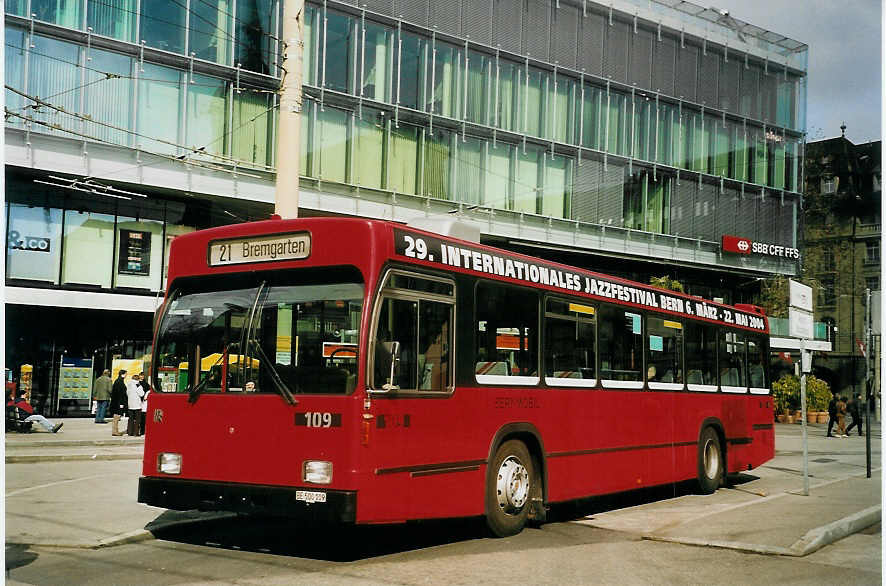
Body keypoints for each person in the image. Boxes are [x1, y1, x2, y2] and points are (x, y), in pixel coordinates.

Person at [110, 369, 128, 436]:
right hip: (118, 402)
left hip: (117, 402)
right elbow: (120, 394)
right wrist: (121, 403)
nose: (126, 375)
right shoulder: (120, 382)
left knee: (116, 417)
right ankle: (115, 431)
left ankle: (115, 430)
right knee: (116, 417)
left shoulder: (118, 381)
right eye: (126, 374)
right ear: (122, 374)